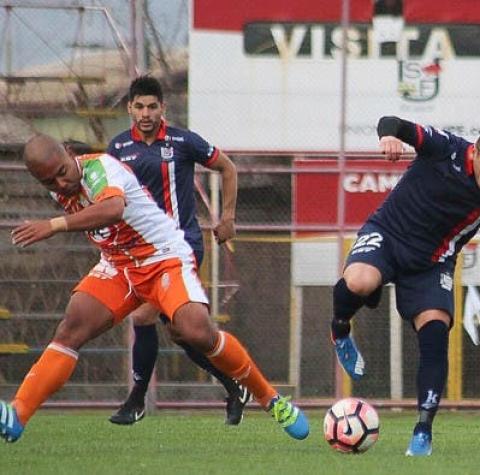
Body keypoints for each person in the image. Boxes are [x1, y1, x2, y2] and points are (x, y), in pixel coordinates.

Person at [0, 135, 309, 443]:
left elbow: (113, 209)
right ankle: (18, 415)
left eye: (62, 171)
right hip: (120, 265)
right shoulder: (60, 190)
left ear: (69, 154)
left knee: (197, 332)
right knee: (71, 328)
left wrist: (53, 225)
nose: (61, 183)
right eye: (50, 181)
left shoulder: (100, 169)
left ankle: (271, 400)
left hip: (163, 257)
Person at [331, 116, 480, 456]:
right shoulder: (445, 148)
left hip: (432, 263)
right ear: (477, 151)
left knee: (436, 332)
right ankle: (339, 330)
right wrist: (387, 137)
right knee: (361, 281)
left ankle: (423, 431)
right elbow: (391, 122)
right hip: (388, 236)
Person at [105, 75, 248, 426]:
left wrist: (227, 216)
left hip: (182, 246)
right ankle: (234, 385)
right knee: (184, 333)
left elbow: (227, 167)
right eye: (139, 106)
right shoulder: (118, 148)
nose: (146, 113)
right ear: (129, 108)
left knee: (142, 317)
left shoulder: (182, 141)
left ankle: (136, 400)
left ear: (162, 108)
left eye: (152, 106)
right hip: (141, 253)